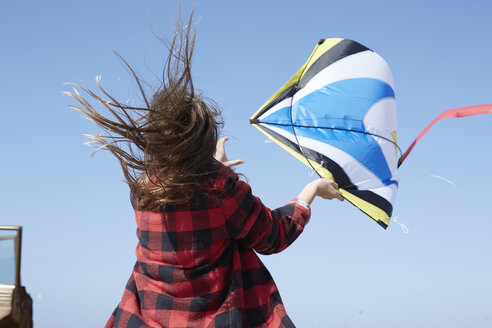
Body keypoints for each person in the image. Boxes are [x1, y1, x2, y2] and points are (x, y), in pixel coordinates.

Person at [67, 13, 343, 328]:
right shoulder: (221, 190)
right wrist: (310, 194)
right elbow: (271, 236)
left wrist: (216, 168)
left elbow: (188, 194)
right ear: (203, 142)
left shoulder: (143, 190)